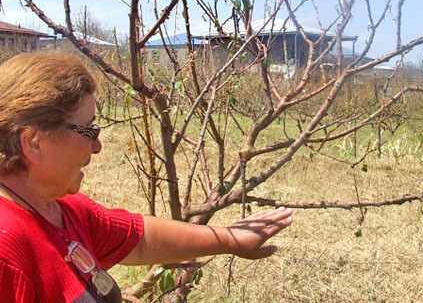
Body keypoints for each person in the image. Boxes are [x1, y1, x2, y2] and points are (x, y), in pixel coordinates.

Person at [0, 51, 293, 302]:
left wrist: (231, 239)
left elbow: (137, 239)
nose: (97, 146)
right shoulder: (6, 252)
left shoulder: (61, 210)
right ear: (34, 142)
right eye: (89, 131)